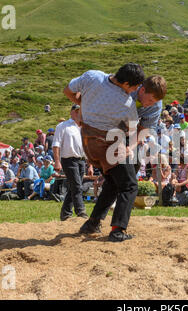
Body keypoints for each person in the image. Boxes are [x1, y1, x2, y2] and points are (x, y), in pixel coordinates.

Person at [65, 63, 148, 242]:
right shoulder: (126, 103)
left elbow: (68, 91)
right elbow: (132, 130)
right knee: (129, 185)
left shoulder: (92, 76)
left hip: (88, 142)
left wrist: (83, 104)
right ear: (126, 84)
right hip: (108, 144)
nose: (134, 91)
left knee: (112, 182)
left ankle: (92, 223)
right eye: (134, 87)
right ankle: (117, 230)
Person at [52, 105, 88, 220]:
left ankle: (65, 214)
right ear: (71, 113)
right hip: (68, 159)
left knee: (74, 187)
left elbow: (87, 147)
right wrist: (57, 161)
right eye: (76, 111)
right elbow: (56, 145)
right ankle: (81, 211)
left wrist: (90, 164)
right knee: (77, 186)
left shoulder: (84, 127)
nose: (79, 113)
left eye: (80, 111)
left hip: (81, 160)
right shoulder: (63, 126)